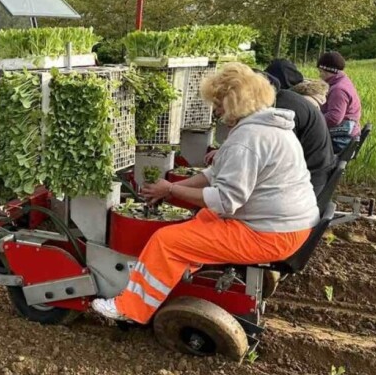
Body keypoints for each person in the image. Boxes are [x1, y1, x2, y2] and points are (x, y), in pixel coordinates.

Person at [91, 63, 318, 324]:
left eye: (218, 103)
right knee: (202, 219)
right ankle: (179, 272)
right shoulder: (267, 126)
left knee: (167, 241)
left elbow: (225, 201)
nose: (216, 110)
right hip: (286, 226)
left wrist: (173, 189)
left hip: (271, 235)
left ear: (234, 102)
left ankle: (130, 309)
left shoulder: (248, 139)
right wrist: (172, 191)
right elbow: (214, 174)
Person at [261, 69, 335, 196]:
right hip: (318, 172)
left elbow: (281, 158)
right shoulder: (289, 100)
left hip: (310, 182)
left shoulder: (284, 109)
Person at [317, 51, 362, 153]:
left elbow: (334, 118)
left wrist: (313, 121)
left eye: (320, 71)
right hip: (347, 135)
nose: (320, 75)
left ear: (327, 71)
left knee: (305, 144)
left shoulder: (338, 90)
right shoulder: (343, 80)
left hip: (341, 140)